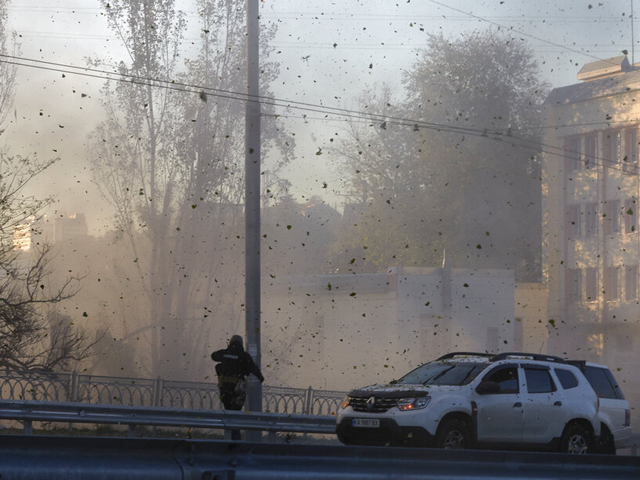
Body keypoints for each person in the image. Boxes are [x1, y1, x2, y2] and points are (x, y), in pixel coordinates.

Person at [211, 335, 264, 439]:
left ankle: (229, 437)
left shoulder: (224, 353)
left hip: (225, 389)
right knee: (236, 413)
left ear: (230, 342)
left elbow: (213, 356)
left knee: (228, 411)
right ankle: (235, 438)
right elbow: (253, 368)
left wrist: (226, 352)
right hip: (238, 389)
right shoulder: (244, 356)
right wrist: (260, 377)